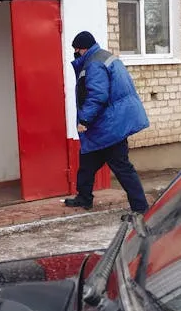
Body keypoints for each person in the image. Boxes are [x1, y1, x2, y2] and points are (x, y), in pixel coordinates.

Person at [64, 31, 150, 214]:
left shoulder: (94, 64)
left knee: (122, 167)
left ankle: (141, 208)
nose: (76, 54)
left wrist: (85, 120)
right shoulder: (103, 57)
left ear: (82, 48)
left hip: (110, 126)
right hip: (108, 124)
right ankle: (84, 198)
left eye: (76, 50)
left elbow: (98, 95)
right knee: (87, 161)